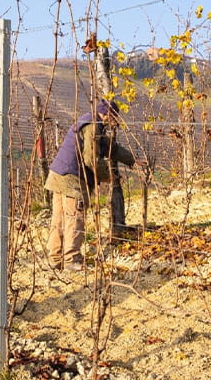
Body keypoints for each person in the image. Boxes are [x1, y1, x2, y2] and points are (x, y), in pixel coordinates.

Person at [45, 99, 146, 270]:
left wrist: (132, 161)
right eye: (115, 117)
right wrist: (108, 177)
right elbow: (91, 159)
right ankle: (72, 259)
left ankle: (55, 258)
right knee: (74, 218)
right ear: (107, 114)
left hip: (57, 176)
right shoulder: (93, 127)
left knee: (59, 219)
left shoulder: (88, 121)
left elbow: (110, 148)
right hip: (72, 178)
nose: (115, 122)